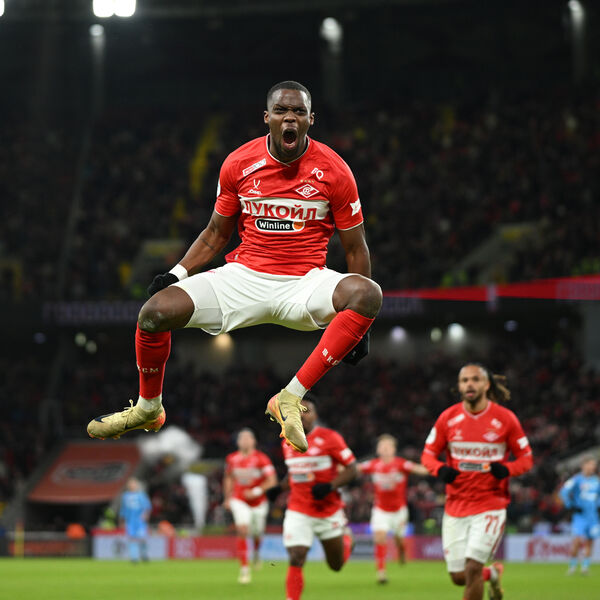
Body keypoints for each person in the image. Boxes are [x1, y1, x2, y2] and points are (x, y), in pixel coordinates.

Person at [87, 80, 381, 453]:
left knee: (368, 293)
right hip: (243, 278)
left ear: (311, 119)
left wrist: (361, 328)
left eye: (299, 112)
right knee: (153, 314)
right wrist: (177, 274)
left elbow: (355, 247)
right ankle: (149, 408)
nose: (290, 118)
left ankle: (289, 397)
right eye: (281, 111)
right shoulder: (239, 163)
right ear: (267, 117)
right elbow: (215, 234)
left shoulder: (335, 171)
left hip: (304, 284)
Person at [421, 363, 533, 600]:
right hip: (456, 505)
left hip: (490, 504)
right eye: (464, 381)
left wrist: (507, 469)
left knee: (472, 568)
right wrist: (440, 470)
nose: (469, 384)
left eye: (475, 379)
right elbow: (427, 455)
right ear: (459, 386)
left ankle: (483, 572)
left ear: (486, 384)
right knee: (459, 576)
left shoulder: (505, 419)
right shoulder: (448, 418)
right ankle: (492, 574)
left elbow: (526, 459)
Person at [266, 396, 357, 600]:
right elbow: (295, 472)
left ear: (315, 415)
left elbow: (353, 470)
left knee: (336, 565)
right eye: (298, 410)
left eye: (307, 411)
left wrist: (330, 486)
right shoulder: (287, 441)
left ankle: (347, 541)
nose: (302, 415)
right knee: (296, 556)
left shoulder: (330, 438)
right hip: (298, 509)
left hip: (328, 510)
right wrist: (279, 488)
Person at [358, 433, 429, 583]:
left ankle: (401, 551)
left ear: (394, 449)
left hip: (399, 511)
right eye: (382, 446)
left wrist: (434, 467)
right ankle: (381, 572)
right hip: (380, 509)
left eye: (388, 446)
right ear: (378, 449)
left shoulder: (401, 464)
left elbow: (420, 469)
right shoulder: (373, 465)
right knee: (380, 537)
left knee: (399, 540)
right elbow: (355, 469)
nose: (385, 449)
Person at [223, 428, 277, 584]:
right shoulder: (232, 459)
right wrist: (227, 498)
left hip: (258, 502)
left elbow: (272, 480)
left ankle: (257, 553)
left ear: (254, 441)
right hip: (239, 499)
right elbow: (228, 478)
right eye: (242, 438)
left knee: (257, 532)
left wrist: (256, 491)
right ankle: (244, 569)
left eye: (248, 438)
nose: (245, 441)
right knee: (242, 529)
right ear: (238, 442)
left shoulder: (262, 459)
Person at [559, 455, 600, 575]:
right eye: (590, 464)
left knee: (590, 542)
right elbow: (563, 492)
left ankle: (585, 567)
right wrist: (570, 505)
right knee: (577, 541)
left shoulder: (596, 481)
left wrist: (598, 505)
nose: (592, 467)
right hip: (580, 516)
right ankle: (572, 566)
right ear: (583, 465)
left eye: (594, 465)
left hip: (593, 517)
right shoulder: (576, 479)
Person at [119, 477, 152, 563]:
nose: (132, 485)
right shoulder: (125, 496)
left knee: (142, 538)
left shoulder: (141, 495)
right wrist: (122, 520)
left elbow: (147, 506)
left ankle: (144, 555)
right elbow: (123, 509)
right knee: (131, 538)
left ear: (136, 485)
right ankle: (134, 557)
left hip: (140, 521)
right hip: (130, 521)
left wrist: (145, 515)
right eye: (130, 484)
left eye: (133, 484)